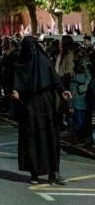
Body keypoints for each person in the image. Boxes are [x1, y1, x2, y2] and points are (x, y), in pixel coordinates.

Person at [11, 36, 71, 185]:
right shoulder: (21, 64)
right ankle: (34, 173)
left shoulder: (43, 62)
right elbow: (14, 84)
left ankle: (53, 173)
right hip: (30, 105)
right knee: (32, 138)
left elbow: (55, 80)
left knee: (50, 137)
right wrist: (15, 92)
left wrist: (63, 91)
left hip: (45, 105)